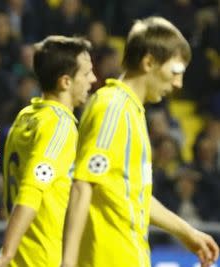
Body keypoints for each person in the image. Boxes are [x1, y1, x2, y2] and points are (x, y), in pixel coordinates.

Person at [61, 16, 219, 267]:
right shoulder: (112, 106)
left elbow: (134, 195)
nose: (178, 83)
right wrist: (67, 263)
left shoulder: (132, 112)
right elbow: (83, 185)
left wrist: (187, 232)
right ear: (148, 62)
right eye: (175, 72)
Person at [0, 35, 97, 267]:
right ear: (65, 82)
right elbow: (32, 187)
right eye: (87, 73)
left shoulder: (26, 116)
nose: (93, 79)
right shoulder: (59, 125)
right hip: (42, 259)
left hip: (23, 257)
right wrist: (6, 253)